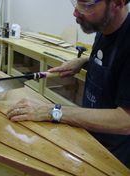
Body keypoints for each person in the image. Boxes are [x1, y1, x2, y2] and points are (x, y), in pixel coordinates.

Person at [7, 0, 130, 168]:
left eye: (86, 6)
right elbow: (115, 66)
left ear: (118, 3)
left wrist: (53, 111)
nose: (76, 13)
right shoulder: (103, 28)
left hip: (112, 160)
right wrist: (85, 62)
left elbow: (126, 121)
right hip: (87, 141)